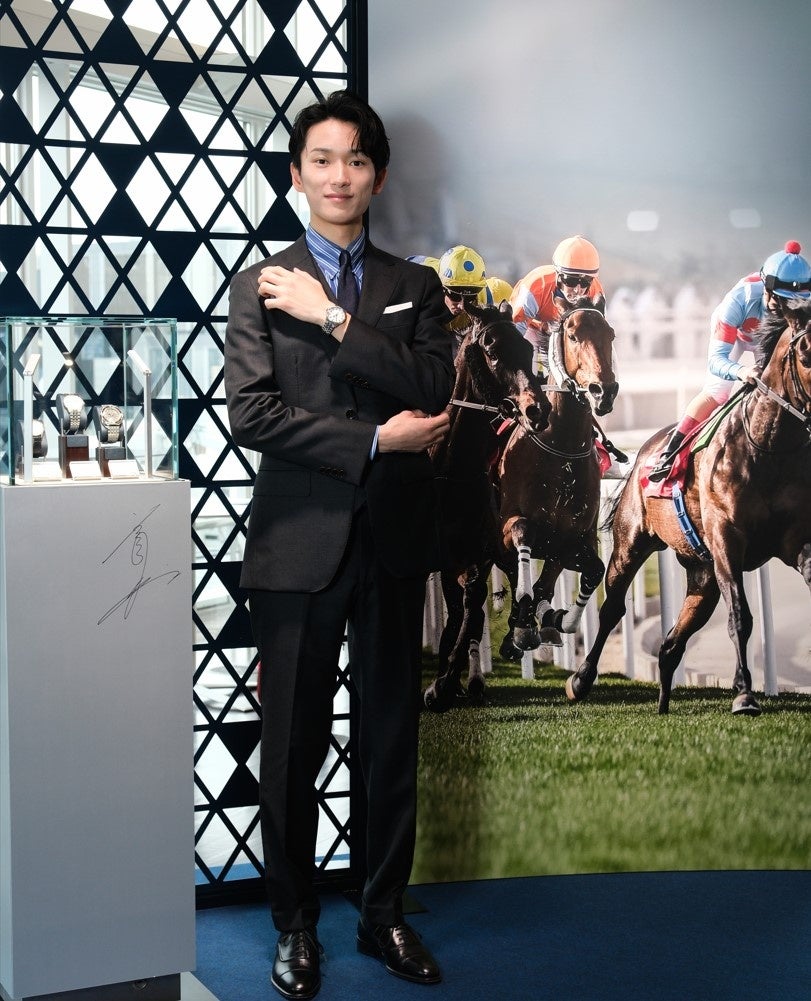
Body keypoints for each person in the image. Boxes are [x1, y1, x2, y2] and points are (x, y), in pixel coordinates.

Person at [224, 90, 454, 1000]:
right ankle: (293, 923)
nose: (338, 176)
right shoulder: (259, 281)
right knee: (293, 743)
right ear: (297, 174)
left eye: (355, 160)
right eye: (321, 159)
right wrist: (374, 441)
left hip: (392, 541)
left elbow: (430, 384)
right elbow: (253, 416)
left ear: (378, 176)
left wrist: (330, 319)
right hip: (297, 543)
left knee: (390, 736)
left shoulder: (414, 285)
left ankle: (381, 912)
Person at [648, 240, 811, 481]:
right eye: (782, 300)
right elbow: (717, 361)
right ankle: (669, 454)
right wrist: (742, 372)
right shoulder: (739, 300)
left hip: (768, 339)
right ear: (767, 289)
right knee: (717, 393)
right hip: (738, 336)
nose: (787, 308)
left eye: (794, 302)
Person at [510, 235, 603, 370]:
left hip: (569, 333)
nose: (577, 290)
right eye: (570, 280)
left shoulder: (596, 292)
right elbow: (514, 333)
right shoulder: (537, 286)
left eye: (585, 282)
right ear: (558, 275)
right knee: (526, 360)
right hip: (533, 328)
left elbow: (598, 336)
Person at [437, 244, 489, 356]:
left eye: (469, 298)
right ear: (442, 287)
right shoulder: (423, 290)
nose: (462, 305)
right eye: (455, 296)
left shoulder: (483, 299)